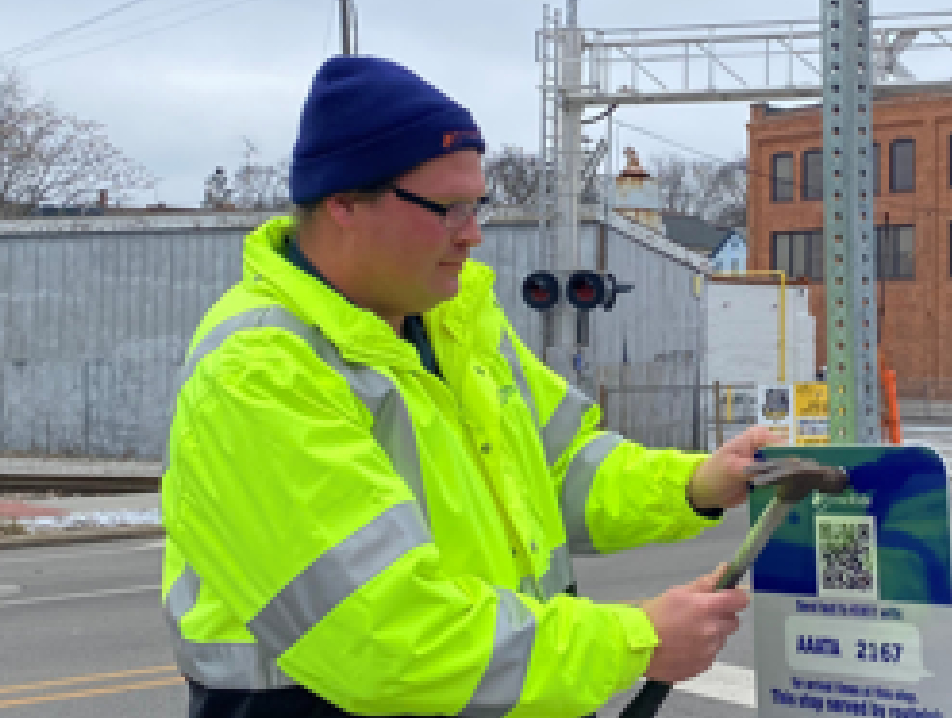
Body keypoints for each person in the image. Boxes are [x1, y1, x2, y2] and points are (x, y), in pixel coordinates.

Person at [160, 55, 783, 718]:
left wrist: (695, 483)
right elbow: (388, 639)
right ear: (343, 202)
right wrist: (637, 641)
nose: (473, 234)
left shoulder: (454, 327)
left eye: (476, 206)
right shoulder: (261, 372)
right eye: (448, 209)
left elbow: (561, 468)